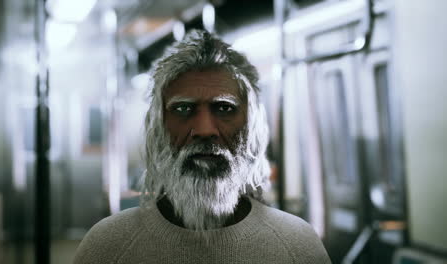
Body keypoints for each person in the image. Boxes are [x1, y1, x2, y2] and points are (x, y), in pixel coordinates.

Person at [73, 30, 331, 264]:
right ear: (158, 128)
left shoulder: (297, 247)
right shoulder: (108, 247)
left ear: (250, 127)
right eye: (183, 109)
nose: (205, 130)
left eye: (224, 108)